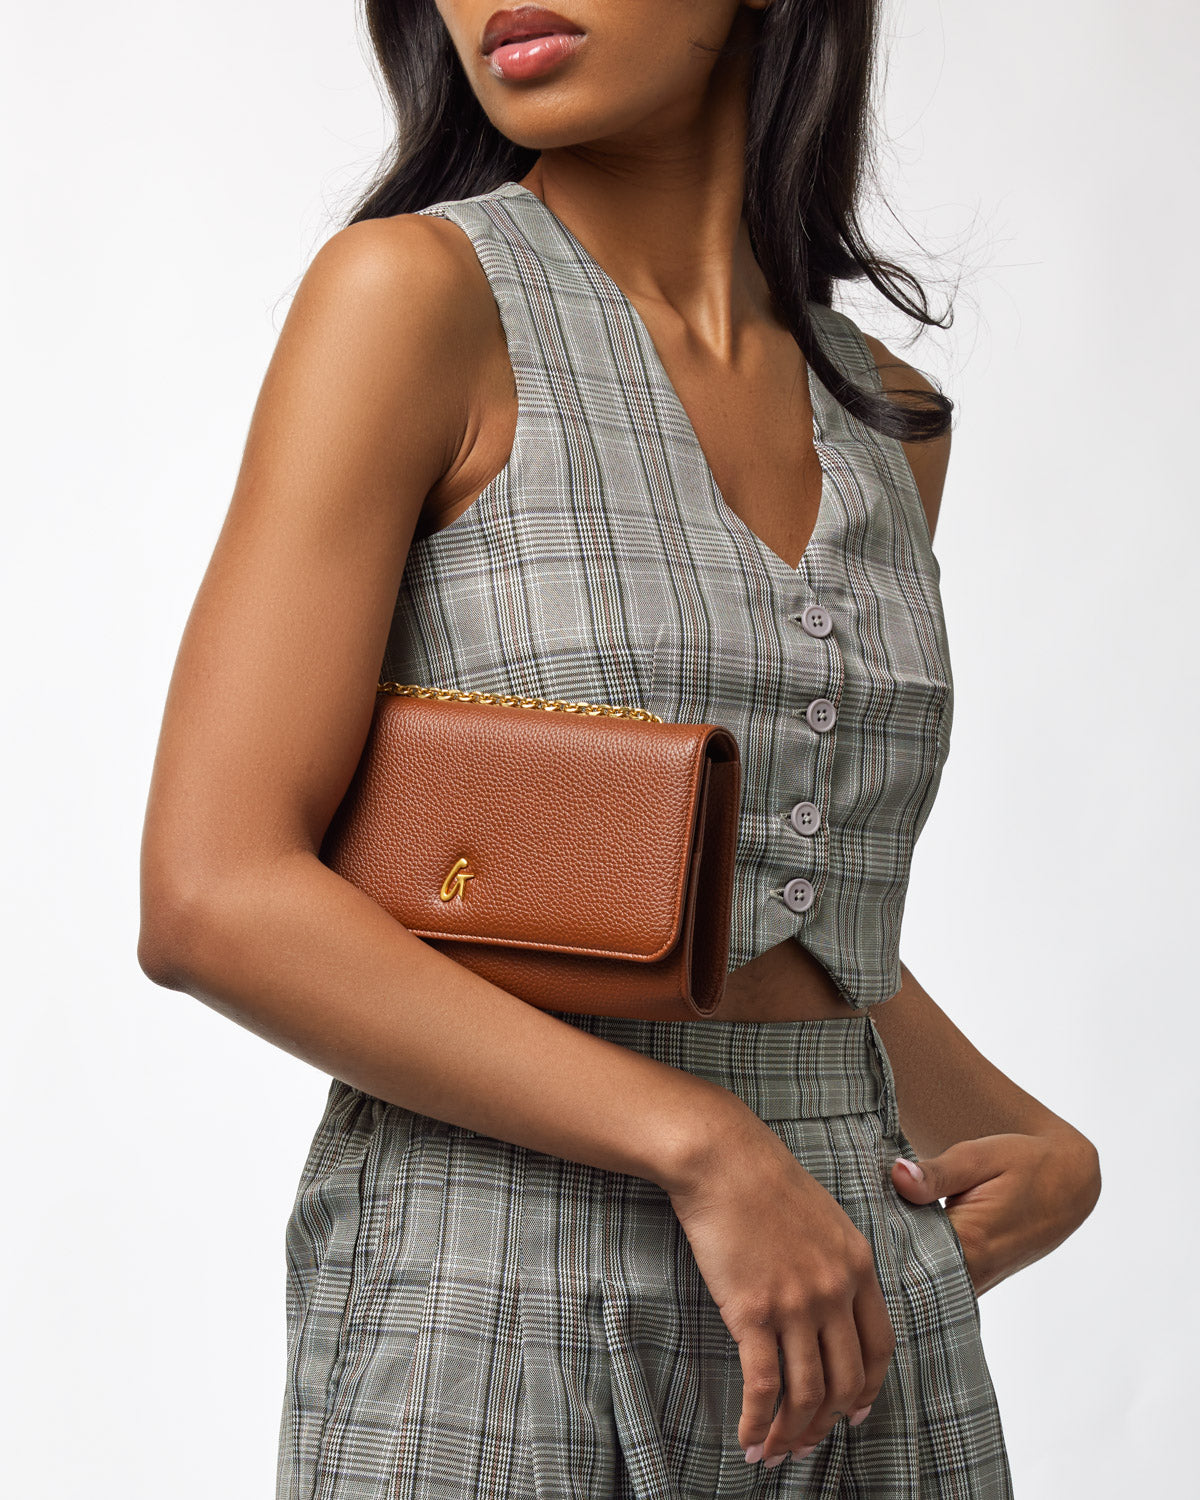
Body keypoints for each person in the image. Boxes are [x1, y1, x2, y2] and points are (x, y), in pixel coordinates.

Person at [137, 2, 1102, 1495]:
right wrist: (700, 1144)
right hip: (496, 1281)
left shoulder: (886, 416)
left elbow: (768, 907)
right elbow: (215, 892)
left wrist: (1031, 1141)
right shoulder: (415, 297)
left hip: (843, 1296)